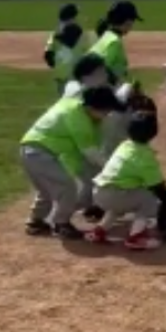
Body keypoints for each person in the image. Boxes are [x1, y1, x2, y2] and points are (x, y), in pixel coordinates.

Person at [18, 86, 124, 240]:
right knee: (67, 187)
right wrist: (114, 170)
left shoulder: (76, 107)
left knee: (45, 190)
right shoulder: (78, 119)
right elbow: (91, 153)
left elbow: (78, 153)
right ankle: (61, 224)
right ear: (90, 107)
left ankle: (35, 222)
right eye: (104, 111)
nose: (106, 115)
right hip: (39, 152)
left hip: (30, 150)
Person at [85, 111, 166, 250]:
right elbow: (157, 186)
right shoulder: (145, 155)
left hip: (99, 193)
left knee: (118, 206)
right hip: (115, 195)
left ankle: (98, 232)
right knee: (150, 200)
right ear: (153, 132)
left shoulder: (124, 145)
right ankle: (136, 238)